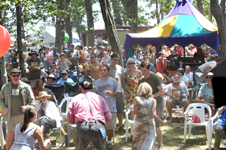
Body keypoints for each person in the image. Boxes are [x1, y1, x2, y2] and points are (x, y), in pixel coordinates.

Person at [67, 77, 112, 150]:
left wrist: (78, 123)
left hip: (82, 127)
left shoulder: (75, 99)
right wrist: (100, 123)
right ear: (92, 88)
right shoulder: (100, 98)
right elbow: (109, 117)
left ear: (81, 88)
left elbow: (69, 120)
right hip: (99, 126)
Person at [0, 68, 35, 150]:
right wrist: (4, 108)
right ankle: (8, 148)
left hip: (23, 115)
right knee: (10, 133)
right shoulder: (5, 87)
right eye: (14, 75)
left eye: (18, 75)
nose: (16, 77)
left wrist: (27, 106)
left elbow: (33, 100)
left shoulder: (26, 87)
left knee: (24, 133)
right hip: (10, 115)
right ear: (10, 76)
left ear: (20, 76)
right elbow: (1, 99)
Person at [132, 82, 167, 150]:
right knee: (148, 145)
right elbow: (153, 115)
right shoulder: (153, 100)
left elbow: (134, 112)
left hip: (138, 125)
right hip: (149, 125)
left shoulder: (136, 99)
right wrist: (162, 121)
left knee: (137, 144)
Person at [138, 61, 165, 150]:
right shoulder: (141, 80)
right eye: (142, 70)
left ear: (149, 69)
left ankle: (160, 145)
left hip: (157, 101)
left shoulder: (155, 78)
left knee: (156, 125)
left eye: (145, 70)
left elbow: (161, 91)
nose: (143, 72)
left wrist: (152, 96)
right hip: (146, 103)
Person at [94, 65, 121, 149]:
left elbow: (118, 93)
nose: (103, 71)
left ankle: (109, 142)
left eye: (104, 70)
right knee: (99, 126)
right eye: (101, 70)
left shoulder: (113, 81)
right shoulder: (97, 82)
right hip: (99, 108)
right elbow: (94, 94)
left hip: (111, 107)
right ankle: (101, 141)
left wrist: (111, 93)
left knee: (110, 126)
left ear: (108, 71)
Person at [108, 53, 127, 132]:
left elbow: (123, 80)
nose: (116, 61)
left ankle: (120, 126)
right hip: (110, 92)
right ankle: (110, 127)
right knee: (110, 110)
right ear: (111, 59)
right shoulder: (107, 68)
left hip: (119, 92)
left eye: (117, 59)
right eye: (115, 59)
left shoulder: (120, 68)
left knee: (120, 109)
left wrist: (124, 91)